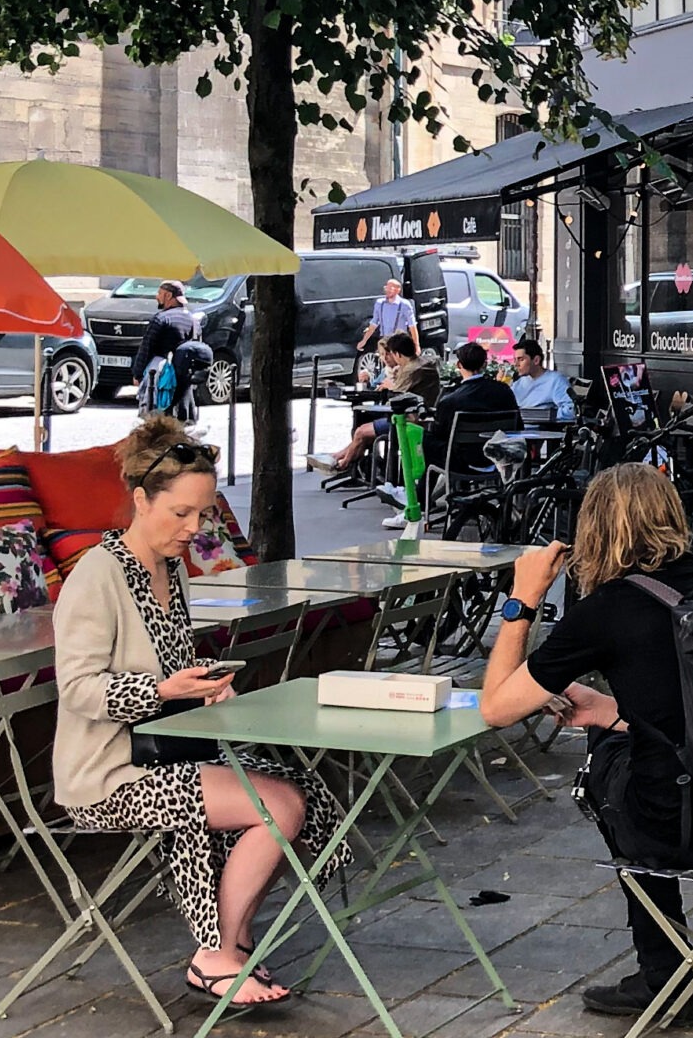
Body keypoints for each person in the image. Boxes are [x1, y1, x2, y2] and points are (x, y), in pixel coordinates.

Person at [51, 417, 348, 1012]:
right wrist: (164, 690)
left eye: (203, 514)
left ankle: (230, 946)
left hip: (169, 749)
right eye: (182, 513)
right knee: (276, 804)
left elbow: (169, 662)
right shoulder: (98, 573)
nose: (195, 528)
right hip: (110, 773)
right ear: (140, 500)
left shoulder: (165, 567)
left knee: (301, 790)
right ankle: (218, 953)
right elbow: (79, 689)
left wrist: (202, 686)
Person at [479, 467, 693, 1028]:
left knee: (608, 771)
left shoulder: (609, 609)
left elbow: (495, 707)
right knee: (625, 748)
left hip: (683, 829)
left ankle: (663, 976)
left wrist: (523, 599)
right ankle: (663, 973)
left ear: (593, 530)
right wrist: (615, 712)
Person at [308, 332, 439, 476]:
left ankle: (341, 465)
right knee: (363, 428)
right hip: (412, 417)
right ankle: (338, 458)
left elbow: (395, 398)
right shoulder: (420, 365)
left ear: (398, 354)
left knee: (361, 431)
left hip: (408, 421)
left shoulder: (411, 369)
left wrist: (391, 385)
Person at [132, 280, 200, 417]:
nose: (156, 297)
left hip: (159, 374)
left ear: (168, 296)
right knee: (180, 419)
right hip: (183, 376)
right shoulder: (193, 320)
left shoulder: (161, 319)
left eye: (159, 293)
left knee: (155, 415)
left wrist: (137, 373)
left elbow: (146, 347)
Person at [433, 340, 522, 436]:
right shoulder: (504, 392)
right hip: (499, 448)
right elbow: (518, 426)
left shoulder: (449, 401)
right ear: (484, 364)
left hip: (462, 450)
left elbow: (439, 436)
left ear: (459, 365)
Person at [508, 338, 575, 422]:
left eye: (521, 360)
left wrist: (545, 415)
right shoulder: (518, 383)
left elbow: (571, 410)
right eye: (515, 360)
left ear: (536, 360)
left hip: (543, 430)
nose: (516, 364)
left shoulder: (555, 380)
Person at [359, 278, 418, 360]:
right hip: (384, 341)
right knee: (385, 365)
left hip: (399, 342)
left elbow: (412, 326)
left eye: (391, 288)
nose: (388, 290)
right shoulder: (380, 303)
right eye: (387, 287)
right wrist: (364, 340)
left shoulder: (404, 305)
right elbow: (373, 324)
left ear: (398, 290)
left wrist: (416, 345)